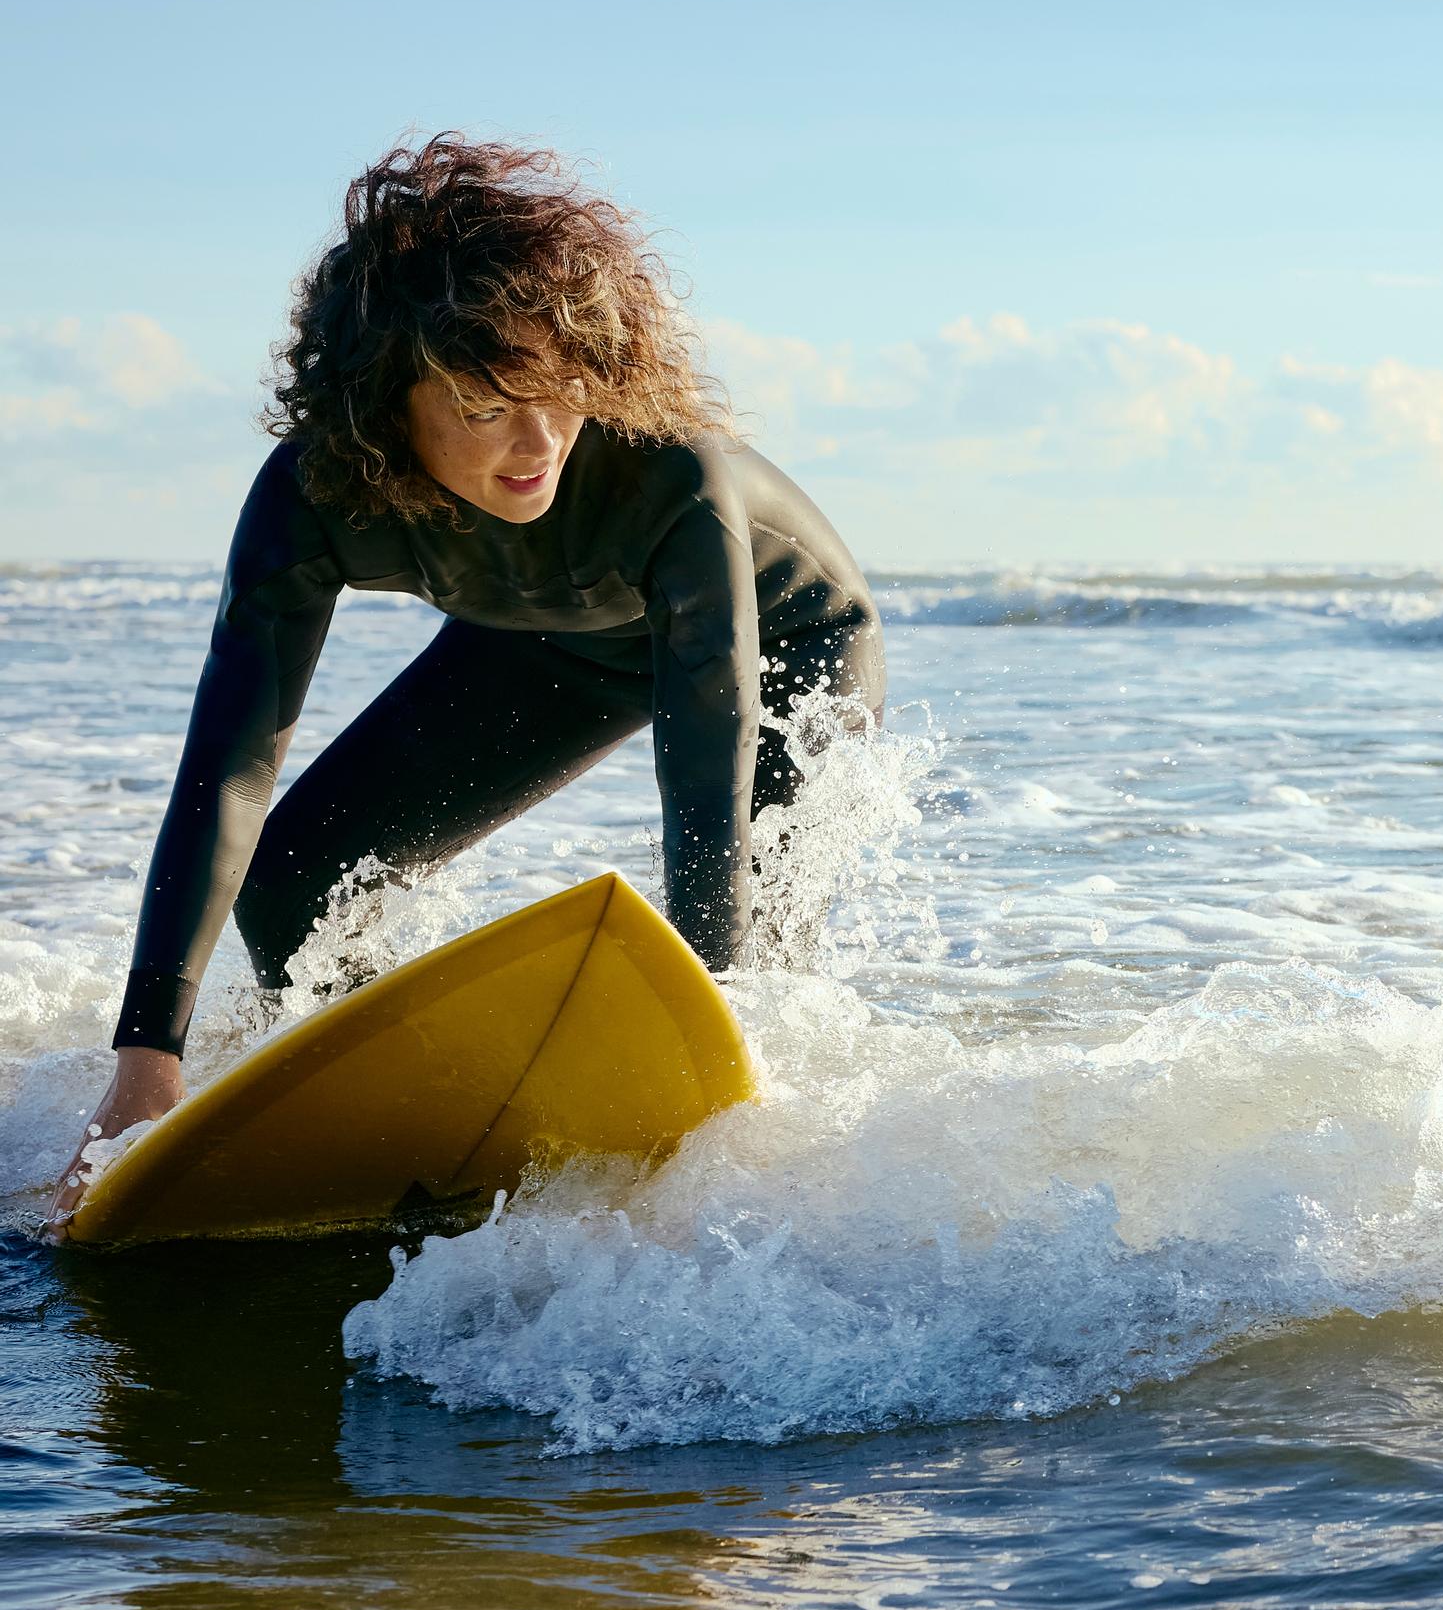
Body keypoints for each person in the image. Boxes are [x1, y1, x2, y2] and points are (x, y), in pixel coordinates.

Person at [52, 135, 882, 1215]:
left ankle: (760, 1180)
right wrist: (145, 1059)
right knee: (294, 886)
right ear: (385, 405)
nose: (540, 444)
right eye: (486, 408)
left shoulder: (666, 482)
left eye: (560, 389)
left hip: (779, 652)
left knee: (744, 955)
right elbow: (232, 765)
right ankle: (412, 1101)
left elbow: (704, 785)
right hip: (542, 642)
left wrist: (710, 1024)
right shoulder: (315, 495)